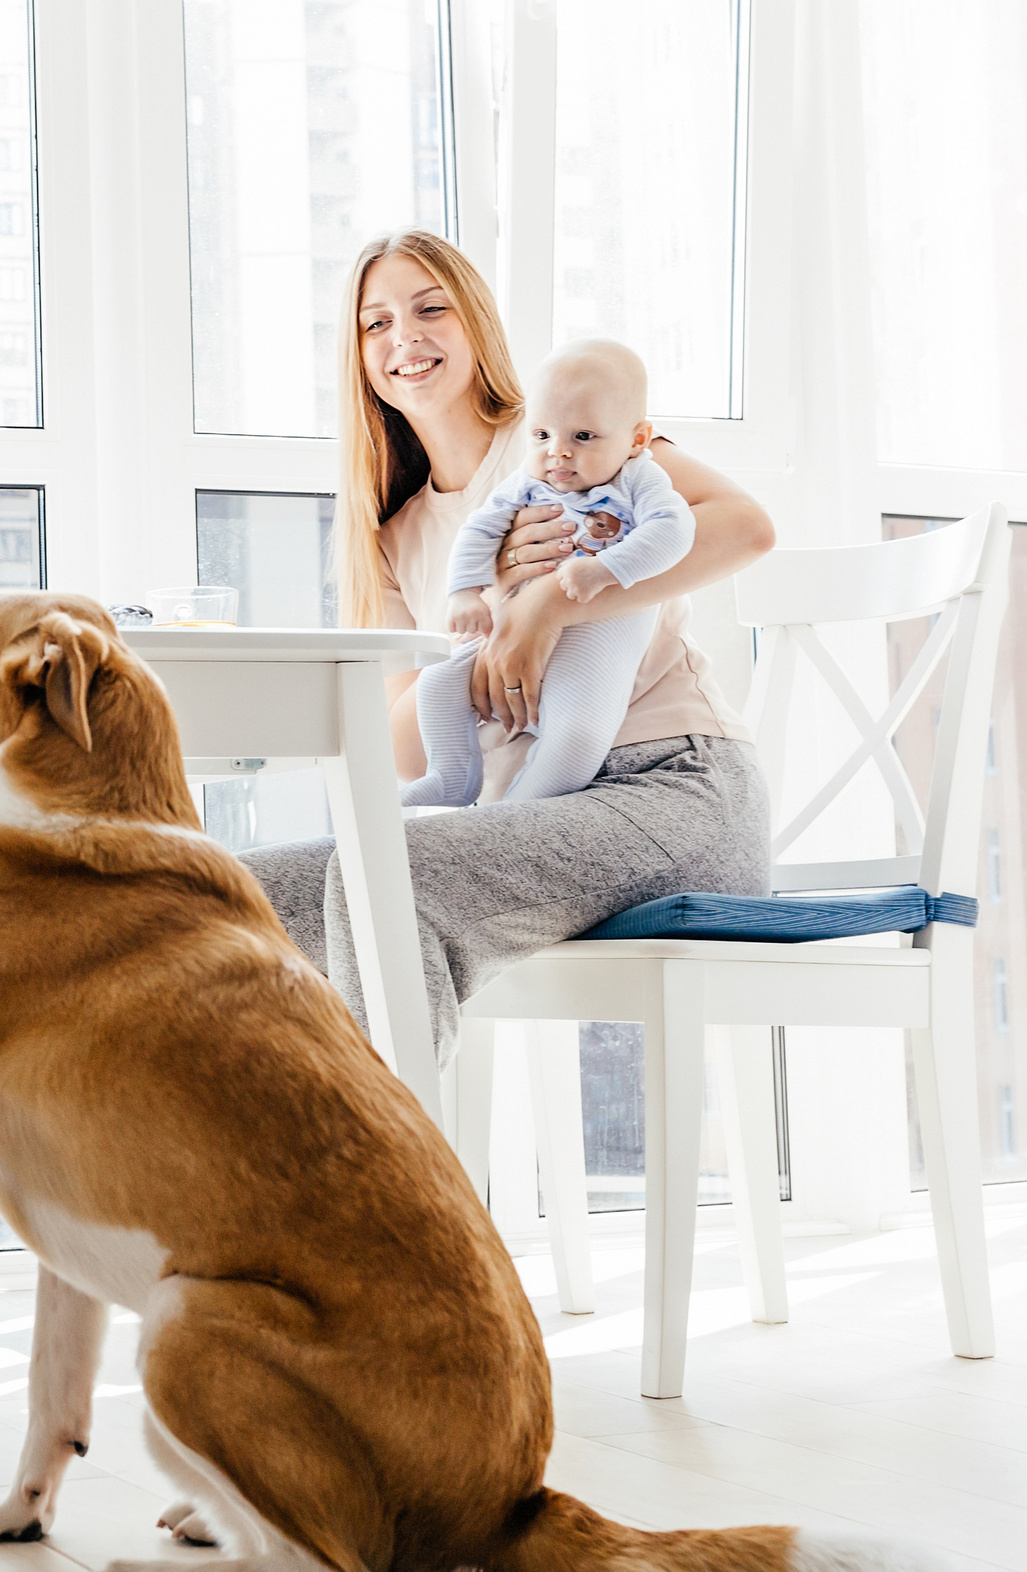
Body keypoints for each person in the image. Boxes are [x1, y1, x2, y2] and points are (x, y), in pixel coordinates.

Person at [240, 228, 776, 1048]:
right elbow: (404, 752)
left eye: (430, 309)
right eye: (374, 323)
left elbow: (745, 528)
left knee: (384, 877)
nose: (404, 338)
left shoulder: (569, 431)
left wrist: (551, 606)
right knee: (230, 897)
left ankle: (387, 1168)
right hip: (537, 819)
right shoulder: (392, 535)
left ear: (478, 324)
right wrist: (490, 616)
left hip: (678, 791)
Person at [401, 337, 693, 808]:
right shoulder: (529, 478)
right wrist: (466, 592)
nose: (558, 453)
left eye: (582, 437)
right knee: (435, 685)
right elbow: (481, 526)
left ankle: (524, 808)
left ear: (636, 439)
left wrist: (605, 569)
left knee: (578, 734)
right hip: (516, 626)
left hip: (599, 630)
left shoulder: (638, 476)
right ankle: (451, 778)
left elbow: (675, 531)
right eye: (542, 436)